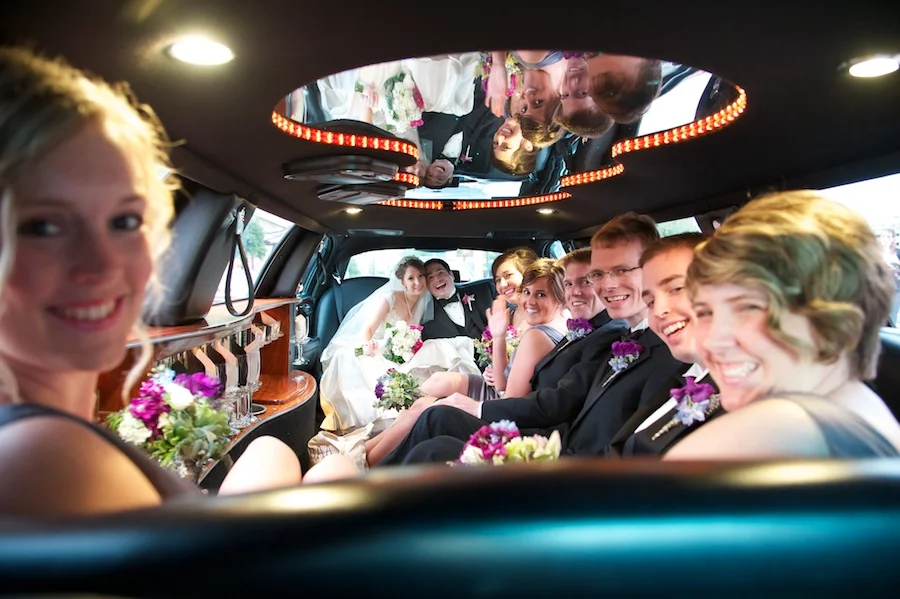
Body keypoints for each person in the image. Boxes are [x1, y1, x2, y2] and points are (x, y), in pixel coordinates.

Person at [0, 47, 355, 517]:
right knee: (337, 471)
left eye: (125, 221)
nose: (105, 264)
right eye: (44, 227)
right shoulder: (38, 455)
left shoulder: (50, 427)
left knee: (274, 452)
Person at [379, 212, 683, 465]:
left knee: (434, 438)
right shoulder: (620, 335)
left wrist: (487, 414)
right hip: (553, 442)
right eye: (599, 275)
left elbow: (578, 415)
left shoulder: (655, 349)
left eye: (622, 270)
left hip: (568, 465)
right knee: (435, 420)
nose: (607, 285)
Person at [666, 192, 900, 459]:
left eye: (748, 307)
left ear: (834, 317)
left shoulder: (772, 433)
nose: (711, 341)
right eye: (705, 312)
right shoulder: (859, 405)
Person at [421, 258, 568, 401]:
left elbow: (510, 400)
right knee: (433, 387)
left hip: (510, 399)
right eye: (526, 292)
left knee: (436, 404)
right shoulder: (509, 317)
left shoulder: (539, 333)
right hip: (498, 384)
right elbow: (501, 383)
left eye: (541, 294)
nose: (530, 302)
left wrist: (470, 407)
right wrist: (498, 337)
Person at [318, 257, 434, 431]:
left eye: (421, 276)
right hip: (374, 345)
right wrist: (368, 346)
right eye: (411, 278)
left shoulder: (423, 300)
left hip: (399, 352)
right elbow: (369, 328)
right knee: (372, 371)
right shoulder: (389, 298)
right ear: (402, 282)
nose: (417, 282)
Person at [421, 258, 491, 341]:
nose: (437, 279)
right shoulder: (424, 316)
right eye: (430, 277)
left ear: (451, 275)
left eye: (440, 273)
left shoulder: (485, 292)